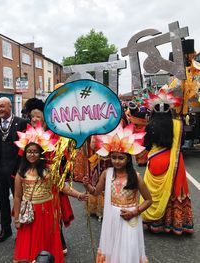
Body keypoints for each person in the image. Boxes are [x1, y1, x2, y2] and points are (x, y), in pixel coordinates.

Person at [83, 123, 152, 263]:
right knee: (113, 246)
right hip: (112, 217)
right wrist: (87, 186)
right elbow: (96, 193)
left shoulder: (136, 177)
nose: (117, 161)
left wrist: (134, 212)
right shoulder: (106, 174)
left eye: (121, 158)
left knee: (128, 247)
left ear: (128, 159)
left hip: (130, 217)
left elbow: (148, 200)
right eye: (114, 157)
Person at [13, 132, 86, 263]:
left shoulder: (49, 170)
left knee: (47, 241)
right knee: (30, 244)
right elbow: (17, 197)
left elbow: (62, 186)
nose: (32, 154)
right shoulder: (20, 172)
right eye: (29, 151)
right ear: (24, 153)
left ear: (41, 153)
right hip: (30, 214)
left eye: (35, 151)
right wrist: (17, 218)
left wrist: (78, 195)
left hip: (47, 212)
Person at [141, 89, 194, 234]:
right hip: (174, 160)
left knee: (152, 191)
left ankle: (154, 222)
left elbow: (146, 145)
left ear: (154, 110)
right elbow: (181, 142)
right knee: (173, 190)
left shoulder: (150, 125)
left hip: (155, 159)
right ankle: (172, 223)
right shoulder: (178, 125)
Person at [0, 97, 28, 243]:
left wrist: (22, 170)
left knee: (20, 200)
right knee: (2, 200)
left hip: (16, 170)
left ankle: (23, 231)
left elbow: (25, 148)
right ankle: (6, 230)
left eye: (2, 106)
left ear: (10, 107)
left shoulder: (21, 123)